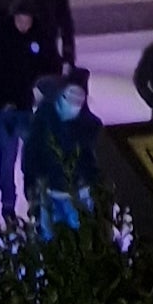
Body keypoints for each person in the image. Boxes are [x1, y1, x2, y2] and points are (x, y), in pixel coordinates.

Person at [0, 0, 52, 217]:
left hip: (30, 108)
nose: (24, 25)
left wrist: (43, 93)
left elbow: (52, 67)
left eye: (27, 21)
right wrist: (0, 102)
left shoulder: (41, 36)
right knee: (7, 158)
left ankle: (34, 198)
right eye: (20, 20)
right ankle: (8, 203)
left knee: (32, 158)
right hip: (8, 110)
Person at [19, 73, 101, 235]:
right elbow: (31, 157)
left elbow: (94, 162)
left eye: (79, 100)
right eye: (70, 98)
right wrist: (33, 190)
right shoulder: (43, 121)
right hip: (51, 194)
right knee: (54, 242)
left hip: (79, 193)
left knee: (81, 239)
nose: (74, 105)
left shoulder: (90, 127)